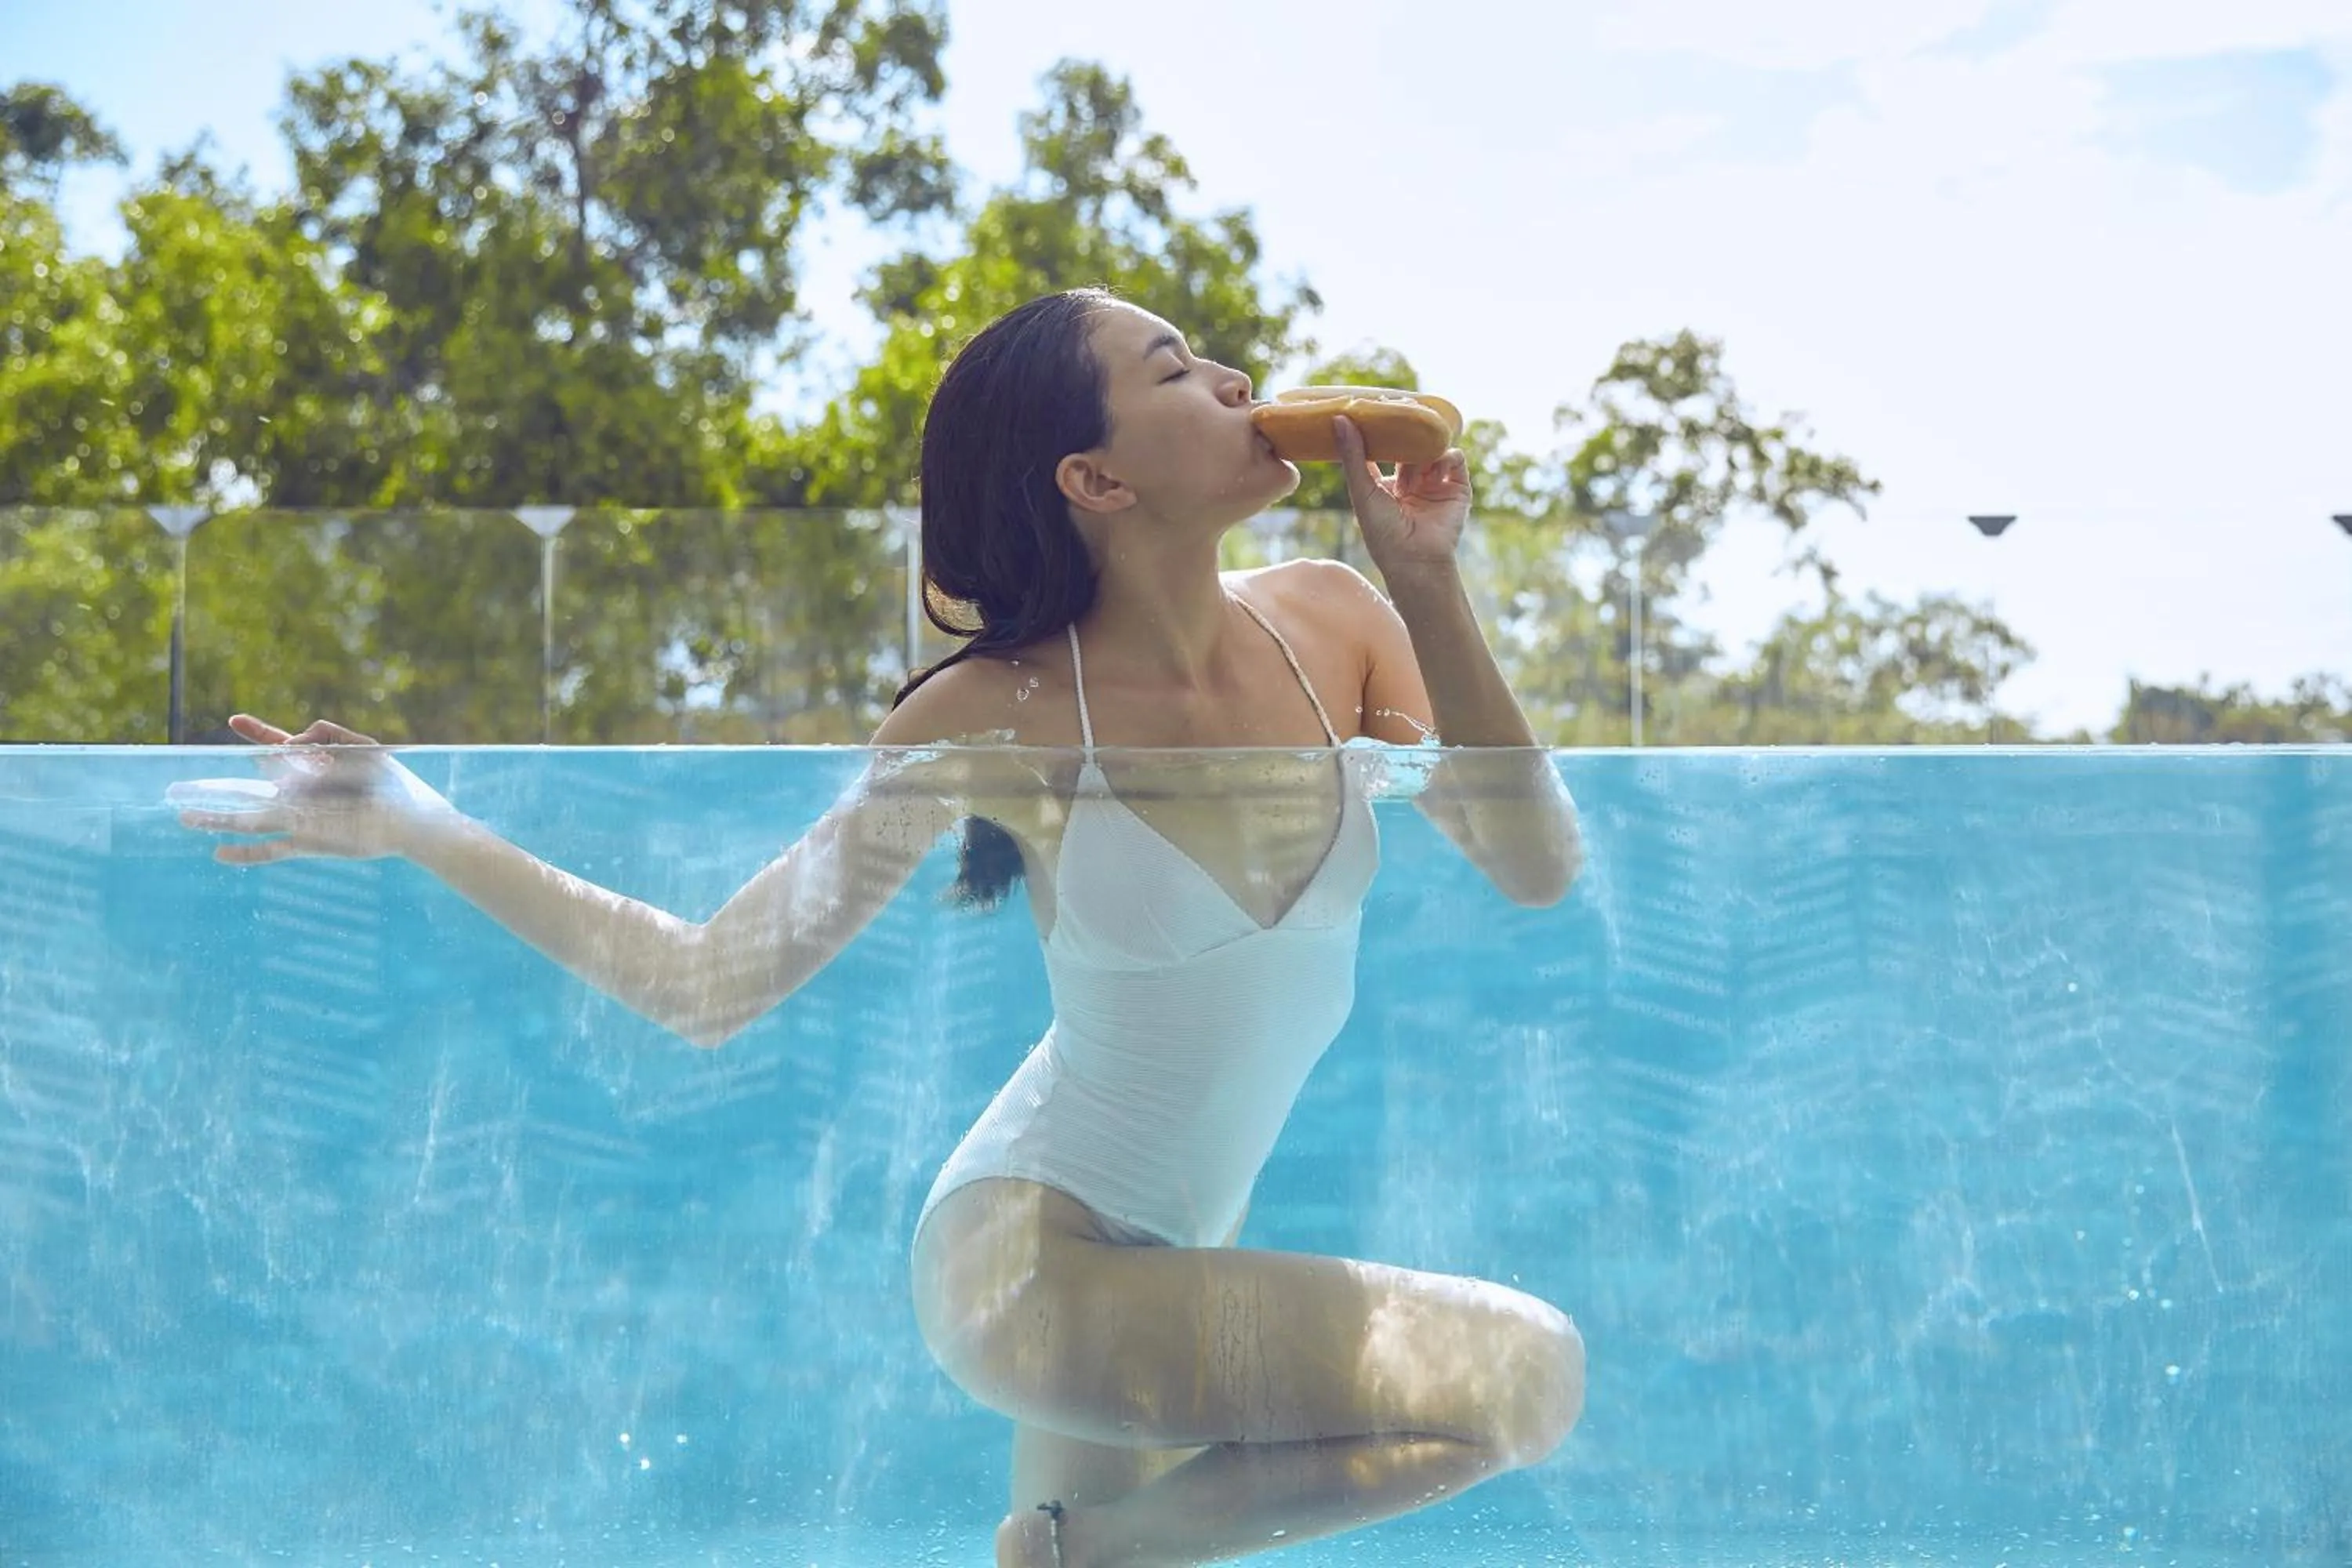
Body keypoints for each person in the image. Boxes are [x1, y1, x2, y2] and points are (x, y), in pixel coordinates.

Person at [176, 288, 1588, 1567]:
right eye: (1175, 371)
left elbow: (1532, 865)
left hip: (1172, 1267)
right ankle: (1078, 1555)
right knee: (1524, 1373)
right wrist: (420, 820)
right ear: (1093, 479)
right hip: (1032, 1271)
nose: (1233, 379)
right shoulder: (995, 715)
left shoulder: (1336, 621)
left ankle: (1077, 1552)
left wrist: (1427, 578)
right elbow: (707, 979)